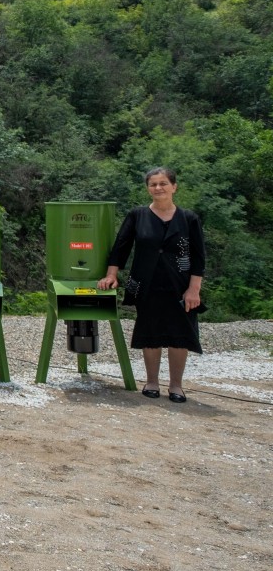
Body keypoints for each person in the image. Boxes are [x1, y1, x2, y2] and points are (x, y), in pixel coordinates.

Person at [97, 167, 205, 403]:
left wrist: (194, 289)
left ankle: (176, 386)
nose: (158, 188)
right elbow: (121, 246)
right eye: (153, 184)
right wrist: (111, 274)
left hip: (180, 285)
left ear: (174, 187)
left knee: (180, 334)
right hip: (146, 283)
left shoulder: (189, 219)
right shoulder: (138, 215)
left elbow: (199, 256)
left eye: (163, 183)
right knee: (151, 332)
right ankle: (151, 382)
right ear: (148, 188)